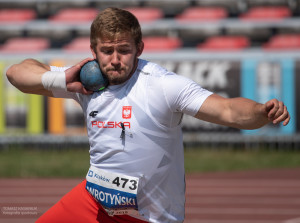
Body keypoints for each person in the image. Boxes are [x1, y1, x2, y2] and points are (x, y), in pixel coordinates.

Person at [6, 7, 290, 223]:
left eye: (124, 50)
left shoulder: (162, 86)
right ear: (93, 51)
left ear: (139, 49)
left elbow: (228, 110)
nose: (115, 59)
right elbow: (16, 72)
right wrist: (60, 80)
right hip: (95, 202)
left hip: (150, 217)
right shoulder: (84, 81)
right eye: (106, 51)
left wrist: (261, 111)